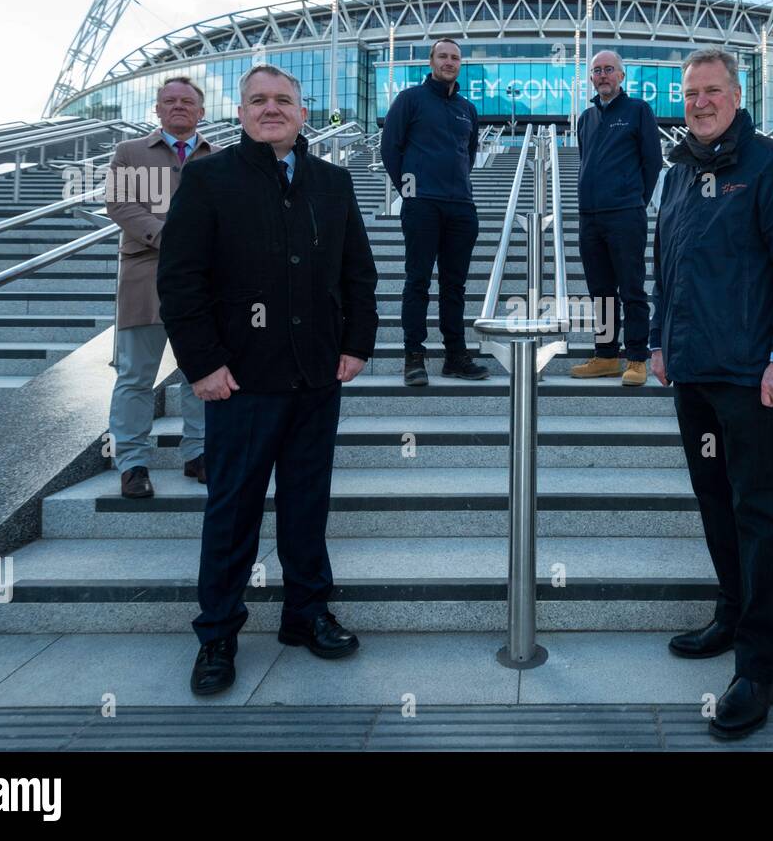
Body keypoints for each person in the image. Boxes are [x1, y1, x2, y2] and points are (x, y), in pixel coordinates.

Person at [157, 64, 379, 696]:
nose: (272, 108)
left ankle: (306, 615)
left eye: (284, 100)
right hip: (239, 383)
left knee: (307, 506)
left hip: (315, 378)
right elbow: (179, 281)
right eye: (259, 100)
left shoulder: (332, 183)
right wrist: (202, 364)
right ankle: (218, 634)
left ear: (304, 113)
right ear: (242, 113)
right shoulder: (208, 178)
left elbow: (357, 272)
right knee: (232, 512)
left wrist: (356, 345)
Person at [649, 47, 773, 740]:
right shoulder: (677, 174)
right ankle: (730, 609)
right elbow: (668, 264)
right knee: (712, 496)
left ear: (736, 93)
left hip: (752, 374)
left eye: (712, 90)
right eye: (691, 92)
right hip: (692, 370)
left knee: (758, 508)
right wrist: (662, 342)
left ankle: (758, 666)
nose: (699, 101)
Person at [105, 77, 211, 498]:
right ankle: (132, 463)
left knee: (200, 371)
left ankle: (199, 453)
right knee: (135, 376)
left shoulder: (219, 157)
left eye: (188, 101)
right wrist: (171, 238)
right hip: (145, 276)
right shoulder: (129, 153)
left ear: (202, 112)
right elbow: (119, 203)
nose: (179, 106)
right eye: (170, 101)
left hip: (204, 283)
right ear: (157, 109)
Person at [380, 38, 489, 386]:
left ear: (460, 64)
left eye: (455, 57)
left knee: (454, 286)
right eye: (443, 56)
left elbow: (468, 155)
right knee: (418, 281)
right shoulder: (410, 99)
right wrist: (409, 192)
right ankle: (414, 356)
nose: (449, 62)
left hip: (461, 207)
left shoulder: (467, 109)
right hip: (422, 203)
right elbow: (390, 148)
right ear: (432, 61)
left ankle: (455, 356)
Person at [570, 49, 661, 387]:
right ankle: (606, 355)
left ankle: (636, 358)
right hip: (590, 217)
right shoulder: (586, 118)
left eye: (609, 69)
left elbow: (651, 162)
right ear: (591, 78)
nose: (603, 75)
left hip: (625, 215)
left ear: (621, 76)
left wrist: (636, 200)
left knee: (632, 289)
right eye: (597, 71)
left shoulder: (638, 111)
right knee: (601, 292)